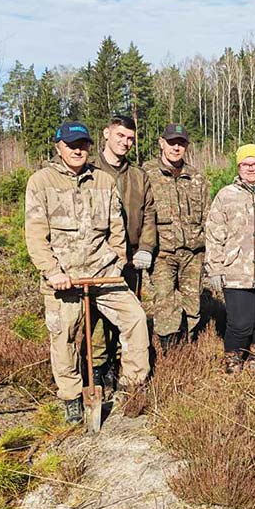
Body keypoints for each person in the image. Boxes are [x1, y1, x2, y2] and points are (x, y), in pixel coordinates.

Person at [25, 121, 151, 424]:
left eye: (83, 144)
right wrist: (53, 272)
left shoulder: (102, 181)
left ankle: (132, 384)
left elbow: (116, 228)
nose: (78, 150)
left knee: (135, 319)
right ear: (59, 147)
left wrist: (117, 261)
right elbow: (35, 236)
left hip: (103, 273)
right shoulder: (41, 182)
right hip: (64, 279)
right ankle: (70, 396)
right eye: (71, 145)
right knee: (65, 337)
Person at [89, 115, 157, 391]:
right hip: (95, 257)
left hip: (129, 258)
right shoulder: (90, 170)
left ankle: (122, 365)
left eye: (130, 138)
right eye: (120, 136)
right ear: (106, 134)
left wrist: (146, 248)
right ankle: (98, 366)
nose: (125, 142)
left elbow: (149, 213)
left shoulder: (138, 176)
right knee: (96, 317)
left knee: (128, 314)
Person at [205, 144, 255, 372]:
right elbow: (213, 233)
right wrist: (215, 268)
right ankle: (233, 363)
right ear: (238, 166)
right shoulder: (226, 195)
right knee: (239, 324)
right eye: (245, 164)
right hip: (237, 270)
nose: (251, 168)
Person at [142, 123, 211, 350]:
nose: (176, 147)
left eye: (181, 143)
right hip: (162, 252)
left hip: (193, 253)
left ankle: (188, 344)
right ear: (162, 143)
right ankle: (170, 349)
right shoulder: (147, 174)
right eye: (172, 142)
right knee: (165, 301)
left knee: (193, 302)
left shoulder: (197, 177)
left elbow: (207, 215)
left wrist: (207, 249)